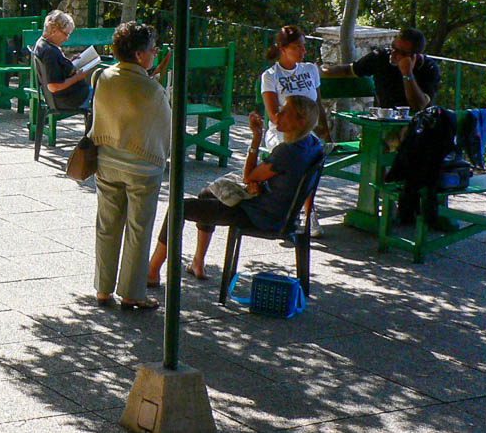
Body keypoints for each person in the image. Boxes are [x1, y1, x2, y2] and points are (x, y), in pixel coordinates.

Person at [148, 97, 321, 282]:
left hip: (260, 215)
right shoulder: (313, 144)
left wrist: (256, 139)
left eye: (285, 112)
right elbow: (284, 179)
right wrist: (260, 184)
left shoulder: (287, 151)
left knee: (179, 208)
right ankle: (198, 262)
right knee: (206, 194)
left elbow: (249, 176)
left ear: (300, 121)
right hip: (281, 213)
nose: (277, 115)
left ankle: (152, 270)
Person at [89, 22, 170, 309]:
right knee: (138, 229)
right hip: (142, 168)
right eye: (152, 49)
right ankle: (132, 293)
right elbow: (164, 131)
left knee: (107, 226)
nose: (155, 53)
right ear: (139, 55)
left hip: (106, 161)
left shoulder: (103, 77)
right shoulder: (153, 90)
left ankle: (103, 288)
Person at [324, 26, 440, 112]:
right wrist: (323, 71)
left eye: (401, 53)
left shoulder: (429, 68)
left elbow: (419, 105)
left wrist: (407, 74)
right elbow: (350, 70)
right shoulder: (380, 57)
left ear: (415, 57)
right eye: (393, 48)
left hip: (417, 125)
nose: (393, 54)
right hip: (385, 122)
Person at [260, 24, 319, 149]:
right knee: (294, 151)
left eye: (304, 46)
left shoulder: (310, 69)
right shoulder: (270, 76)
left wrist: (325, 134)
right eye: (298, 47)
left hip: (308, 132)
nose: (303, 50)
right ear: (283, 48)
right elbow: (274, 117)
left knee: (314, 150)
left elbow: (318, 105)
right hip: (283, 132)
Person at [31, 9, 94, 112]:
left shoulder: (42, 44)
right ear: (54, 30)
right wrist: (77, 77)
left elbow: (55, 68)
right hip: (67, 99)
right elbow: (53, 86)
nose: (66, 38)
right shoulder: (50, 52)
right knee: (102, 97)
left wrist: (69, 62)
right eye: (66, 34)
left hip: (61, 97)